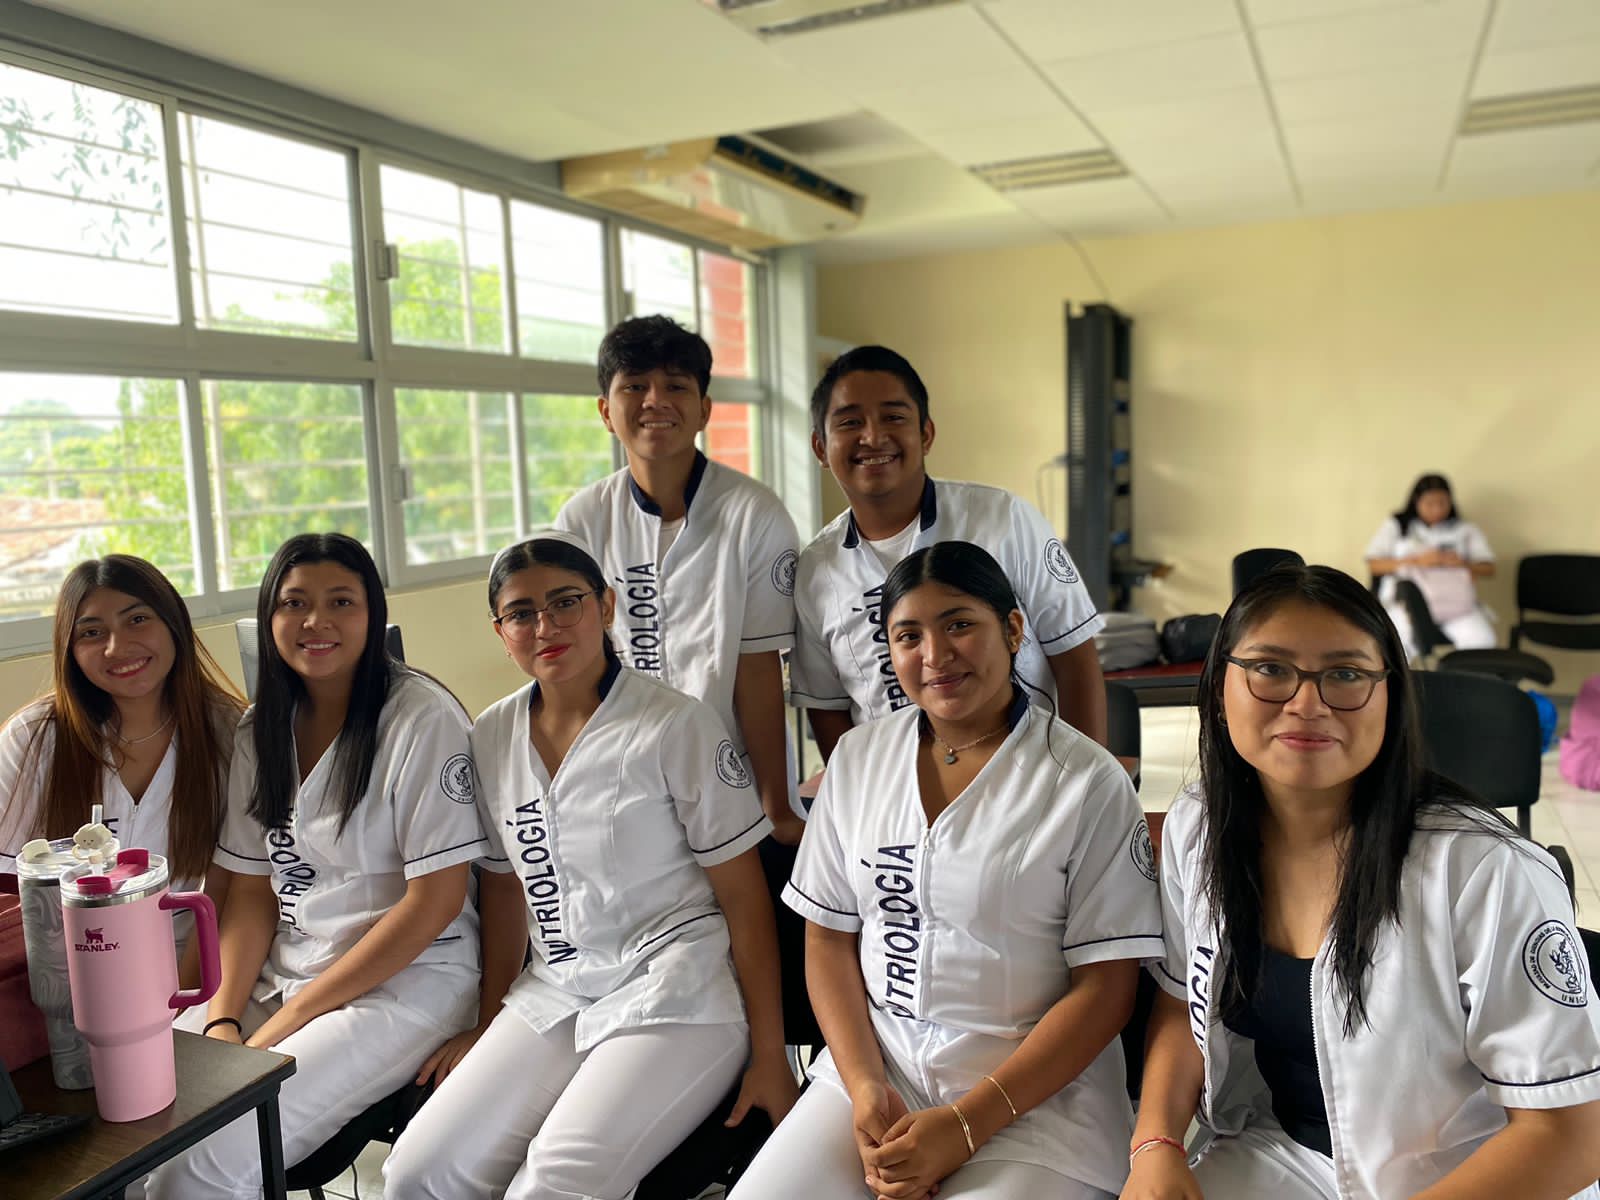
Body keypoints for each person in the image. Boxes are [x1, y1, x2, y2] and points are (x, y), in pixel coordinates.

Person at [1124, 564, 1600, 1200]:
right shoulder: (1199, 826)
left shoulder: (1483, 870)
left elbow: (1570, 1136)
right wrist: (1155, 1146)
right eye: (1270, 669)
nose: (1307, 703)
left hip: (1474, 1175)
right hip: (1285, 1151)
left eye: (1346, 674)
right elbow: (1180, 1000)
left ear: (1389, 697)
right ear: (1218, 690)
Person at [734, 541, 1160, 1200]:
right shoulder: (857, 760)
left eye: (959, 624)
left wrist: (965, 1126)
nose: (935, 655)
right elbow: (828, 937)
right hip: (879, 1070)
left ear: (1012, 630)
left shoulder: (1084, 781)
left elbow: (1106, 989)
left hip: (1033, 1098)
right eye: (909, 636)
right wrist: (865, 1087)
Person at [383, 531, 796, 1199]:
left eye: (565, 602)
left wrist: (771, 1055)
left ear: (605, 606)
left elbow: (746, 899)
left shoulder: (674, 724)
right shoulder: (491, 736)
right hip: (556, 991)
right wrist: (487, 1023)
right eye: (521, 613)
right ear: (501, 633)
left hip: (677, 992)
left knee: (553, 1182)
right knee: (418, 1172)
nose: (545, 626)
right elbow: (505, 889)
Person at [147, 533, 488, 1199]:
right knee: (136, 1127)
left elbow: (435, 902)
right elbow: (251, 894)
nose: (316, 621)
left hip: (405, 986)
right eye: (294, 603)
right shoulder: (259, 730)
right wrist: (223, 1018)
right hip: (288, 973)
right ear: (269, 616)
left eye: (341, 602)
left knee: (196, 1171)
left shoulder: (420, 720)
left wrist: (277, 1031)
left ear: (374, 612)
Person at [554, 315, 803, 844]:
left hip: (729, 771)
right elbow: (572, 667)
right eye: (634, 386)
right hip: (620, 774)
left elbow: (756, 668)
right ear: (605, 411)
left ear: (704, 409)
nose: (655, 401)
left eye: (675, 386)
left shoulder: (754, 514)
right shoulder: (582, 520)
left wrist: (776, 806)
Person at [790, 346, 1106, 762]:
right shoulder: (816, 569)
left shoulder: (1003, 520)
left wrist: (1084, 775)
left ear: (926, 434)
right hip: (896, 790)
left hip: (1028, 771)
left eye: (894, 417)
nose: (873, 437)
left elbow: (1075, 658)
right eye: (850, 422)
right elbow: (827, 706)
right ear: (819, 447)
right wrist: (856, 792)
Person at [0, 555, 241, 986]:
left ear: (173, 624)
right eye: (92, 632)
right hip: (68, 976)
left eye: (137, 620)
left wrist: (190, 997)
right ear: (71, 650)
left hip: (192, 966)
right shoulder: (34, 738)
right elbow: (6, 886)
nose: (117, 647)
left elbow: (241, 889)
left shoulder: (230, 733)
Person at [1365, 473, 1496, 660]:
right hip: (1407, 605)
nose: (1437, 509)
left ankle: (1461, 678)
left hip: (1456, 604)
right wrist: (1416, 561)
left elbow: (1489, 568)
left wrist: (1463, 564)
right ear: (1416, 502)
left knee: (1482, 640)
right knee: (1396, 645)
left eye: (1443, 503)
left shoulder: (1464, 529)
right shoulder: (1398, 525)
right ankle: (1404, 679)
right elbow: (1374, 565)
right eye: (1430, 503)